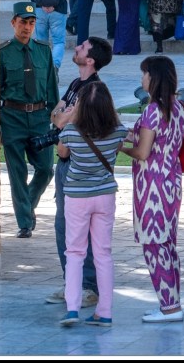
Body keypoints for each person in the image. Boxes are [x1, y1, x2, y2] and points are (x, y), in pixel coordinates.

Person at [46, 36, 113, 308]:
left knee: (80, 230)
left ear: (91, 59)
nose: (77, 48)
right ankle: (71, 283)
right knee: (63, 226)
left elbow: (62, 119)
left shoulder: (94, 91)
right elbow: (56, 114)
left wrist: (62, 115)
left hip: (79, 165)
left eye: (82, 47)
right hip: (64, 165)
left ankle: (88, 287)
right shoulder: (76, 85)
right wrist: (61, 114)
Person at [120, 56, 184, 323]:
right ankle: (172, 303)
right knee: (167, 245)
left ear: (153, 77)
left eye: (144, 74)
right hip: (171, 181)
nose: (141, 79)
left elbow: (143, 152)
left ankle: (169, 308)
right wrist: (124, 133)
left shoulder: (152, 111)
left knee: (154, 245)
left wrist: (121, 148)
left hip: (152, 187)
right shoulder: (178, 107)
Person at [56, 82, 127, 327]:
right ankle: (104, 311)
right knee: (103, 254)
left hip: (77, 196)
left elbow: (62, 153)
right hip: (105, 195)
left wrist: (70, 116)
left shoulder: (70, 131)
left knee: (74, 252)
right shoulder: (118, 130)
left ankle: (72, 308)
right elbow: (117, 149)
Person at [0, 1, 59, 237]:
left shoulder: (43, 51)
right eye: (23, 22)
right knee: (17, 171)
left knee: (46, 169)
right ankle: (25, 222)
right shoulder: (3, 53)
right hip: (12, 117)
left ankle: (28, 206)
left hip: (39, 117)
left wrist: (56, 118)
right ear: (13, 22)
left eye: (32, 23)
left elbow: (51, 88)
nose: (27, 27)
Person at [25, 0, 72, 71]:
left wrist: (41, 4)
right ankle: (55, 65)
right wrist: (54, 5)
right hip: (58, 10)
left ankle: (44, 67)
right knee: (59, 41)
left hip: (40, 11)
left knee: (41, 41)